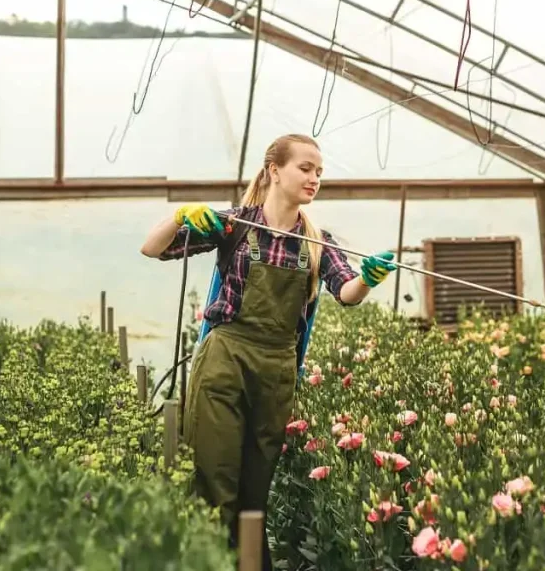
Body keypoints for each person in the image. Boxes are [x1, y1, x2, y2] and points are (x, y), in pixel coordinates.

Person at [140, 133, 396, 569]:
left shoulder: (318, 242)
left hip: (276, 370)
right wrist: (181, 215)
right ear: (274, 170)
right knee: (215, 482)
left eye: (319, 172)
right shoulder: (235, 225)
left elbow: (347, 292)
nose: (315, 178)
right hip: (225, 360)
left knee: (256, 491)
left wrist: (369, 278)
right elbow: (153, 248)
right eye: (306, 168)